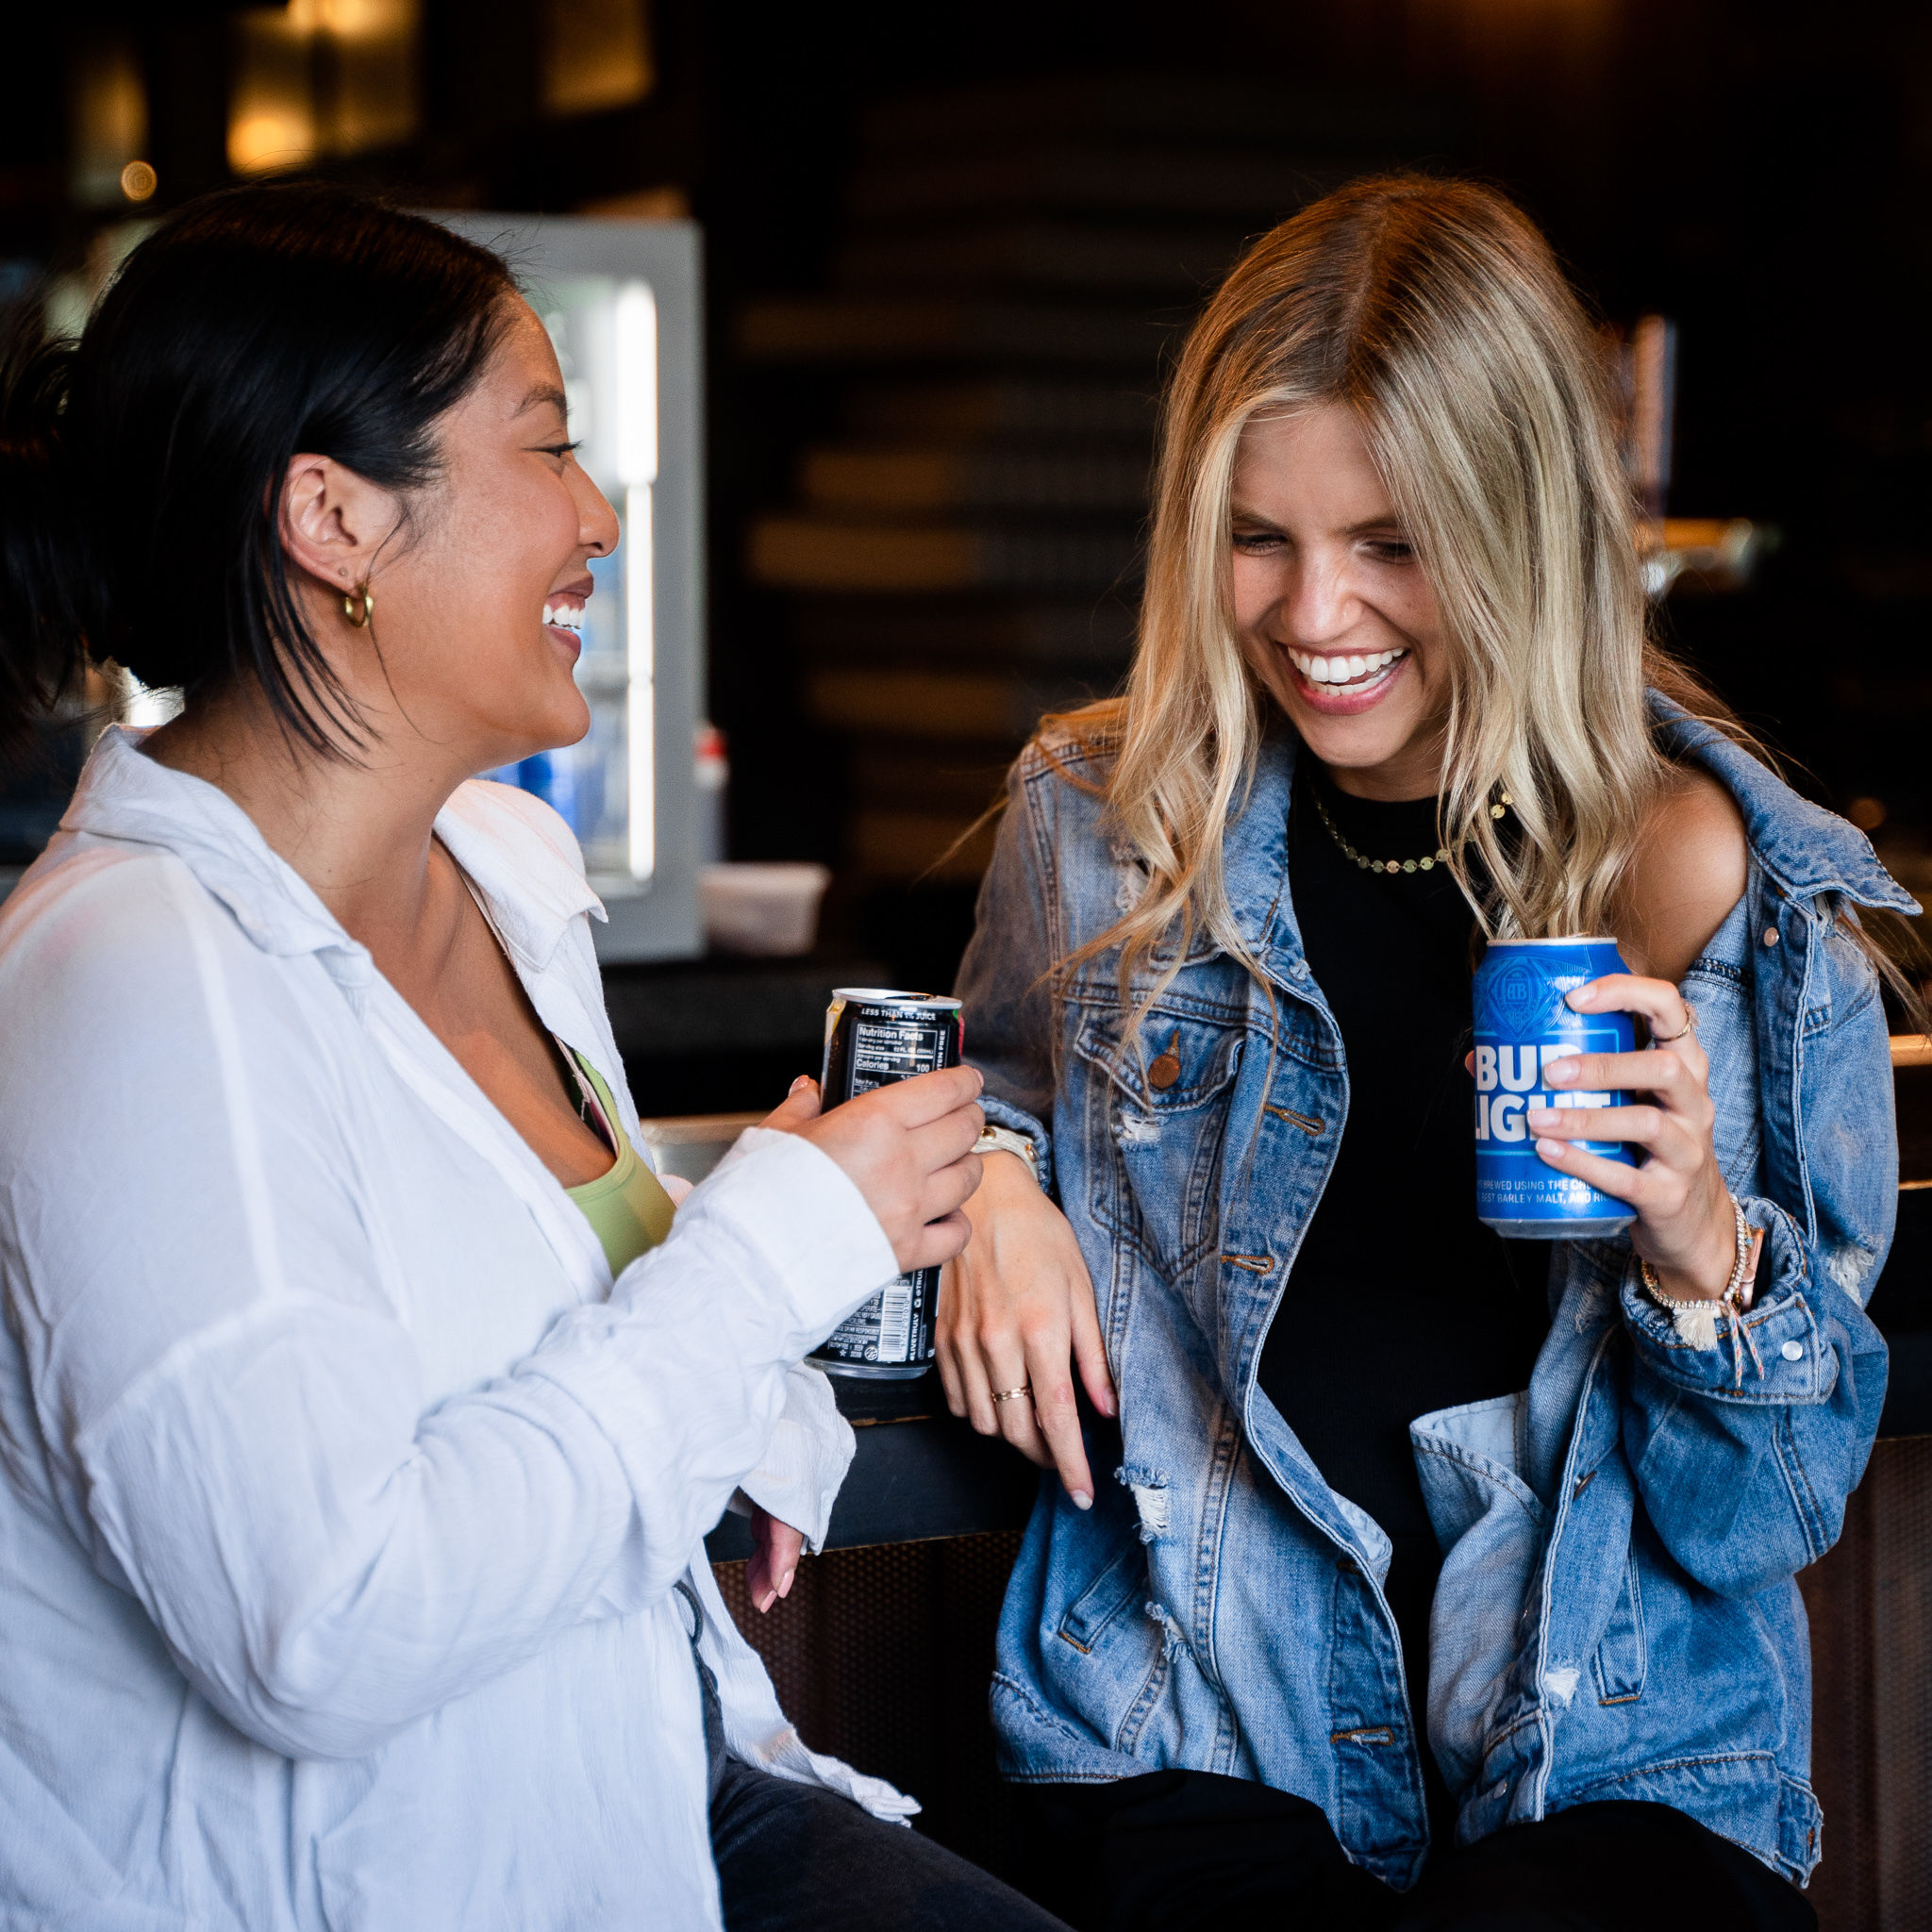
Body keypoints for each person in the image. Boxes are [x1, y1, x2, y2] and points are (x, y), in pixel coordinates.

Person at [0, 185, 1068, 1932]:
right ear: (332, 516)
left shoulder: (506, 868)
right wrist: (766, 1256)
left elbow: (583, 1315)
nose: (598, 517)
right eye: (547, 447)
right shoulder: (127, 980)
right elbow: (322, 1626)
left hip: (647, 1797)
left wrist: (761, 1385)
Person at [939, 175, 1912, 1931]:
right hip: (1190, 1718)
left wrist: (1702, 1252)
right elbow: (982, 1094)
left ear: (1519, 524)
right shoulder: (1101, 823)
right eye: (1260, 536)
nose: (1316, 614)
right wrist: (991, 1183)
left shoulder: (1713, 883)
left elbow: (1771, 1509)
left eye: (1391, 542)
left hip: (1625, 1763)